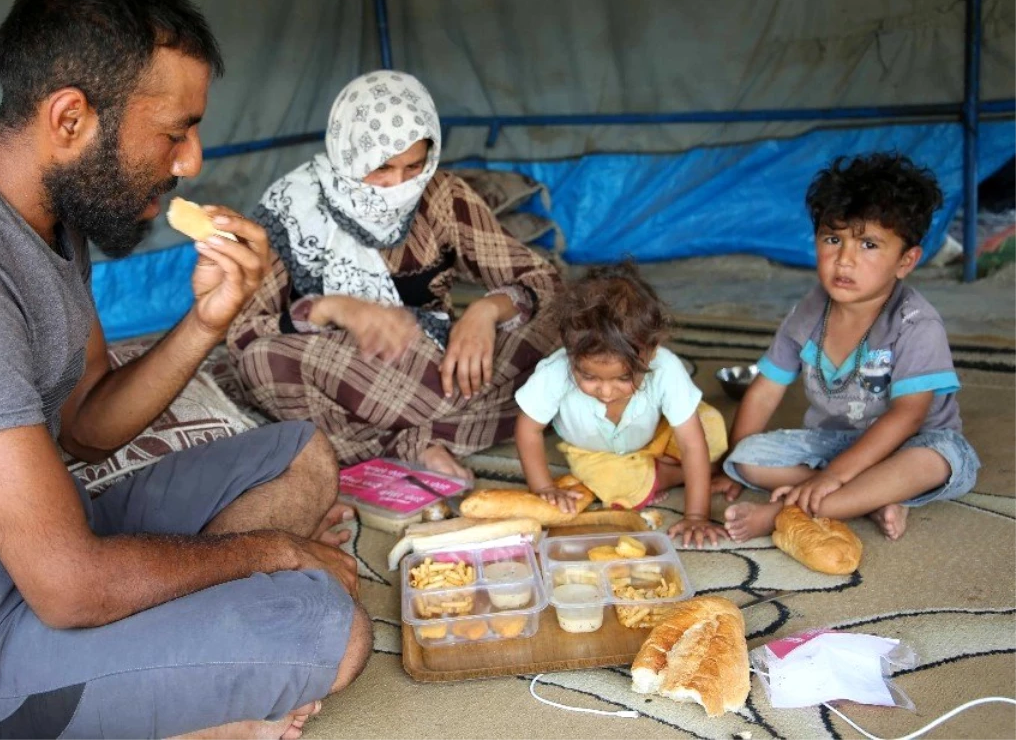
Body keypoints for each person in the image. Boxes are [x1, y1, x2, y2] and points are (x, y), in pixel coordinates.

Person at [0, 0, 370, 740]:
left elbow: (85, 424)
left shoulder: (46, 217)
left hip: (37, 553)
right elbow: (71, 586)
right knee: (331, 627)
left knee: (303, 456)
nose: (192, 162)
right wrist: (268, 552)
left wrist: (205, 321)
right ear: (70, 119)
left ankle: (155, 662)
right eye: (174, 132)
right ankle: (163, 686)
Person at [228, 71, 562, 481]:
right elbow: (244, 333)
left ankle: (378, 445)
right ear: (347, 152)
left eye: (413, 166)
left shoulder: (441, 195)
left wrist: (485, 312)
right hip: (345, 371)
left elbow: (542, 280)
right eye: (381, 168)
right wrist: (332, 308)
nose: (397, 186)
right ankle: (418, 441)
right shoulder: (292, 209)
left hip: (437, 366)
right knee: (261, 364)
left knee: (564, 329)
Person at [722, 153, 980, 542]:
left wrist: (833, 476)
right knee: (747, 458)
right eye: (832, 239)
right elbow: (764, 392)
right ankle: (869, 497)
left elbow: (909, 417)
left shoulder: (915, 324)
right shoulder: (807, 313)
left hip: (915, 442)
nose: (845, 259)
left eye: (869, 244)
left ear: (906, 261)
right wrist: (727, 465)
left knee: (936, 461)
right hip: (837, 442)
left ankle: (787, 511)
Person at [514, 264, 732, 548]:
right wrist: (543, 488)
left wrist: (696, 515)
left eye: (624, 378)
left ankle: (669, 474)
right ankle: (684, 474)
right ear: (570, 354)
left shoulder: (665, 366)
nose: (606, 391)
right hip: (596, 455)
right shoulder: (554, 371)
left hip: (657, 437)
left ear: (650, 353)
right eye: (588, 377)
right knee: (614, 483)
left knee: (709, 424)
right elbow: (527, 429)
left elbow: (691, 443)